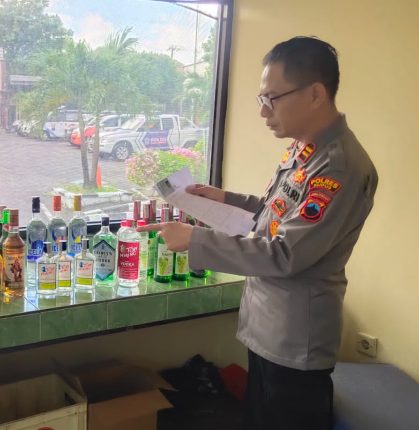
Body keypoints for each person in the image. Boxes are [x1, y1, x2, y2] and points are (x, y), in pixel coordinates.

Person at [139, 36, 378, 430]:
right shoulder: (305, 149)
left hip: (295, 341)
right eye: (261, 99)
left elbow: (286, 253)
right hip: (268, 326)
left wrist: (194, 240)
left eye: (272, 98)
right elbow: (277, 212)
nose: (264, 111)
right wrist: (224, 198)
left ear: (315, 94)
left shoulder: (339, 166)